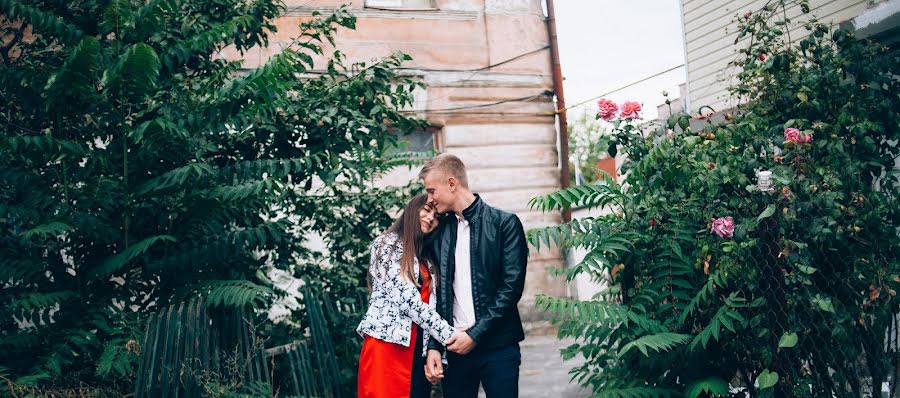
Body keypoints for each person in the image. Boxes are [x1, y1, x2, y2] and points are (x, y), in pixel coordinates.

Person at [419, 154, 528, 397]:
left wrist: (475, 335)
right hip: (455, 349)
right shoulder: (440, 232)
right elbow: (437, 294)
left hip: (499, 347)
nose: (429, 199)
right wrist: (435, 346)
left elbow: (511, 288)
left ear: (451, 183)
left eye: (431, 190)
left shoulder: (504, 224)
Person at [357, 194, 467, 398]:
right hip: (387, 349)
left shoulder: (425, 257)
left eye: (436, 216)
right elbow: (408, 302)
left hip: (417, 351)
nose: (430, 217)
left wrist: (436, 352)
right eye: (426, 210)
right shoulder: (385, 245)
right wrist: (451, 336)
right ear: (411, 210)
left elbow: (433, 305)